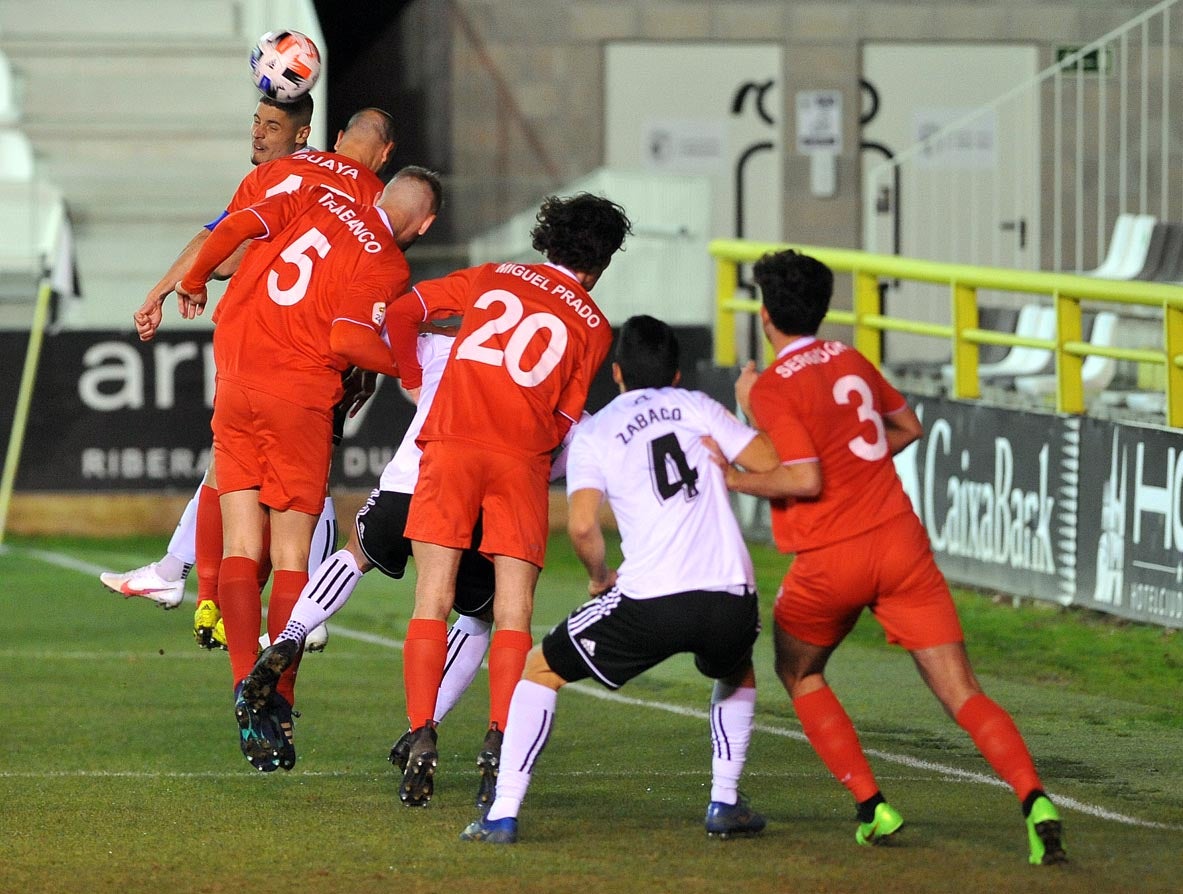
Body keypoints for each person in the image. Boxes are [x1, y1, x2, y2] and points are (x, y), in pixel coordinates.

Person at [714, 248, 1067, 866]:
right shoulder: (850, 357)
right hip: (901, 543)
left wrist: (733, 475)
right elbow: (907, 428)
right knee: (963, 693)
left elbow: (803, 480)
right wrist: (861, 469)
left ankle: (870, 805)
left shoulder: (770, 386)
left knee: (800, 673)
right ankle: (1034, 798)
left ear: (765, 316)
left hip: (831, 559)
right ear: (821, 310)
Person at [459, 315, 777, 844]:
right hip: (731, 595)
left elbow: (583, 524)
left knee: (540, 670)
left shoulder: (598, 429)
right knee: (736, 668)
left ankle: (503, 812)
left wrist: (600, 577)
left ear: (618, 372)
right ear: (677, 374)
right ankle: (724, 802)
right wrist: (752, 405)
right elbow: (770, 459)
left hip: (651, 599)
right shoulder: (699, 407)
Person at [99, 103, 395, 656]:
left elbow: (224, 241)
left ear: (323, 138)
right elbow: (371, 296)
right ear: (385, 156)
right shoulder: (375, 206)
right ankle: (292, 604)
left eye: (271, 126)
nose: (259, 136)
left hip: (249, 346)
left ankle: (195, 582)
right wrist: (373, 368)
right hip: (311, 361)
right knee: (299, 492)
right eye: (256, 125)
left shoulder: (289, 177)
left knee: (235, 480)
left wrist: (170, 288)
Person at [173, 163, 438, 773]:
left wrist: (193, 276)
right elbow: (347, 339)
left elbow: (238, 223)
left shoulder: (311, 196)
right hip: (298, 393)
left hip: (236, 374)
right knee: (291, 554)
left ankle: (245, 683)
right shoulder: (387, 264)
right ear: (422, 224)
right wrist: (414, 366)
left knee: (243, 541)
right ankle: (278, 702)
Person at [384, 192, 631, 806]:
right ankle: (498, 739)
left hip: (451, 443)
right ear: (599, 264)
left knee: (432, 598)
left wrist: (417, 382)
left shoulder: (493, 276)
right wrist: (526, 453)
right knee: (513, 610)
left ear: (546, 241)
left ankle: (421, 733)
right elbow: (567, 417)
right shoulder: (595, 326)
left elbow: (403, 311)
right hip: (521, 458)